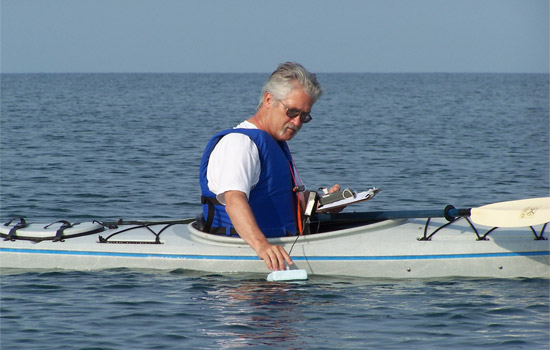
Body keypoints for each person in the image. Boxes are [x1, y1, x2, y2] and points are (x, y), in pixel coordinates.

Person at [199, 62, 341, 271]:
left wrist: (324, 204)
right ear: (268, 99)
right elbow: (234, 200)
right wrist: (262, 246)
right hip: (240, 270)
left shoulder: (275, 144)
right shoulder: (240, 144)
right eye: (292, 112)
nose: (297, 122)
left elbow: (281, 200)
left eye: (304, 116)